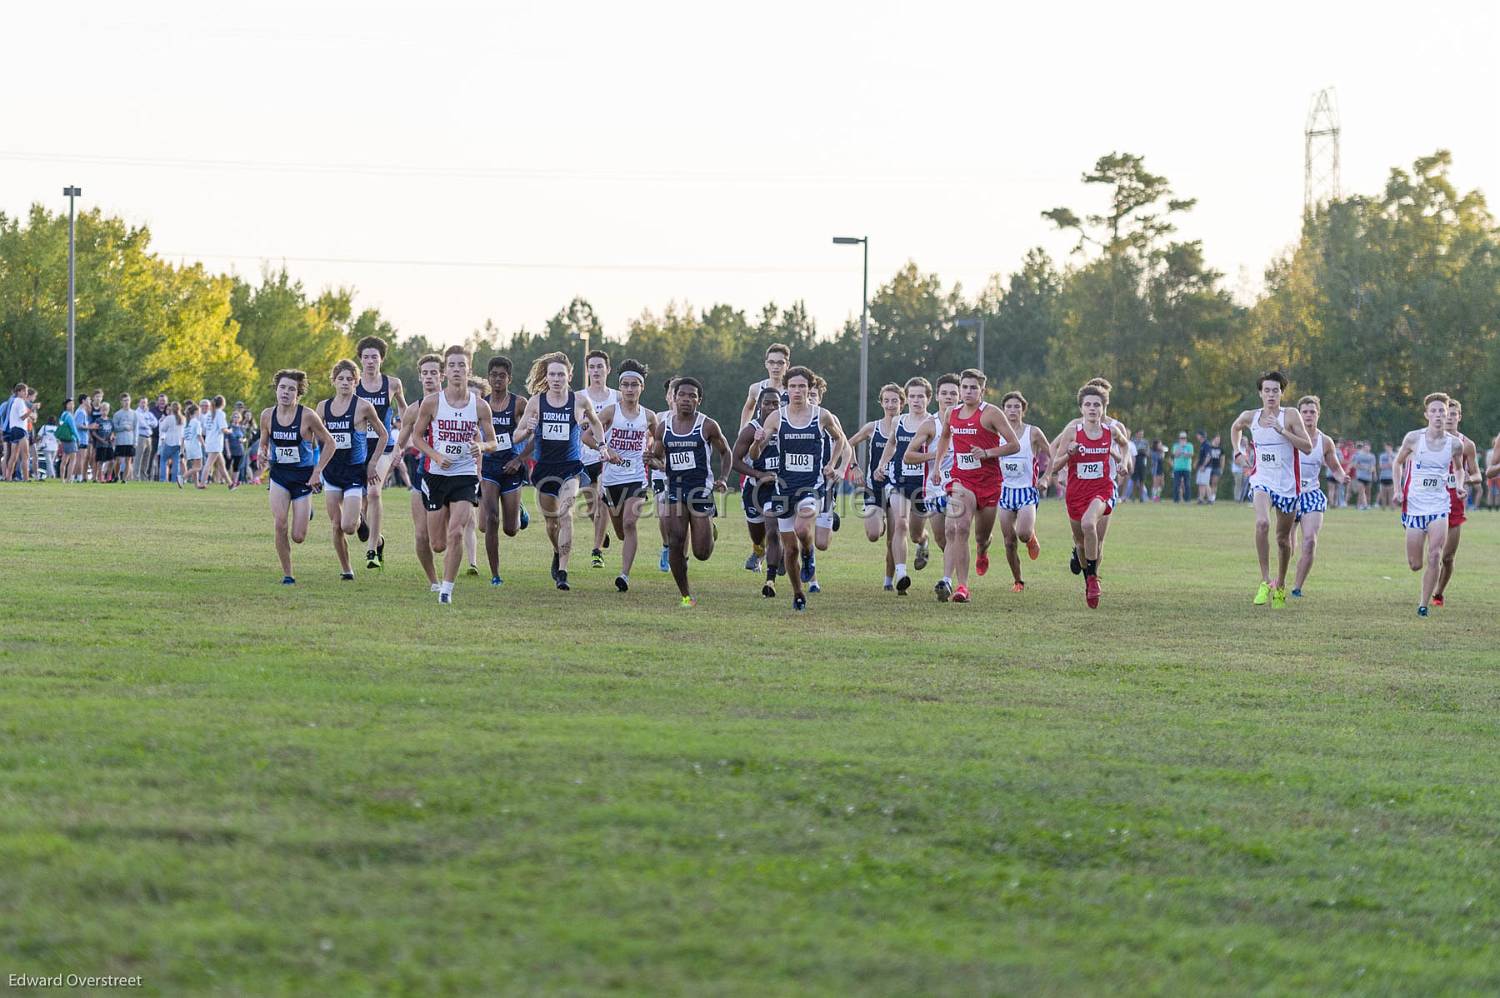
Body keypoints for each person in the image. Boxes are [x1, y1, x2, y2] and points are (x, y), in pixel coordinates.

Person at [750, 366, 846, 612]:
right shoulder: (777, 417)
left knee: (803, 527)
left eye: (802, 386)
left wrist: (832, 464)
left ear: (809, 389)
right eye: (792, 386)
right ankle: (798, 592)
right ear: (786, 389)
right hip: (783, 488)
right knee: (789, 549)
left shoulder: (821, 415)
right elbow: (755, 453)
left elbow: (840, 440)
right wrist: (757, 441)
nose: (797, 391)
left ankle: (809, 552)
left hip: (810, 485)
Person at [406, 346, 496, 604]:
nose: (457, 370)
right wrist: (435, 456)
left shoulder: (480, 407)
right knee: (438, 544)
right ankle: (436, 580)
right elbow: (417, 436)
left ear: (469, 370)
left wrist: (480, 446)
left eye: (462, 365)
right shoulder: (433, 403)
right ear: (446, 372)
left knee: (456, 532)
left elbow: (493, 442)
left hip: (465, 475)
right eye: (453, 365)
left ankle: (447, 589)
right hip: (436, 475)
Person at [511, 351, 606, 591]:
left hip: (570, 467)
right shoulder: (536, 402)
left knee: (566, 514)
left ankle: (563, 571)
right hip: (544, 469)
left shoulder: (579, 401)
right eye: (552, 374)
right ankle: (556, 551)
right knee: (552, 523)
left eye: (560, 374)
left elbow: (595, 422)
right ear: (547, 376)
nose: (556, 379)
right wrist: (528, 429)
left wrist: (602, 444)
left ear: (569, 376)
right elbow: (516, 436)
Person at [929, 368, 1020, 603]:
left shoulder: (991, 414)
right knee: (959, 528)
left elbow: (1014, 445)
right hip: (962, 480)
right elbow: (945, 438)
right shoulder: (952, 412)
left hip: (989, 482)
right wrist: (937, 466)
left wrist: (987, 452)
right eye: (965, 387)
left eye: (973, 387)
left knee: (981, 536)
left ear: (982, 390)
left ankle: (982, 550)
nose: (968, 391)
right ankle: (962, 587)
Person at [1229, 371, 1316, 608]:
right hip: (1261, 480)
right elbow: (1235, 427)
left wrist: (1281, 430)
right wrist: (1238, 451)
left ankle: (1280, 584)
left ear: (1281, 393)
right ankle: (1265, 580)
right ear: (1260, 393)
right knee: (1262, 523)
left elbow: (1307, 447)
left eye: (1275, 390)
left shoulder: (1291, 415)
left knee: (1282, 539)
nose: (1270, 395)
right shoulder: (1251, 416)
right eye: (1266, 390)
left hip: (1287, 485)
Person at [648, 376, 730, 607]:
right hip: (674, 488)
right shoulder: (664, 427)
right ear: (673, 398)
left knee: (702, 552)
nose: (686, 399)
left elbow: (726, 452)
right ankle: (685, 595)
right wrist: (652, 460)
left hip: (700, 490)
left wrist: (723, 478)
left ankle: (709, 528)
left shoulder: (707, 425)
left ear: (699, 400)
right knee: (675, 540)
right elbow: (658, 456)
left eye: (691, 396)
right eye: (681, 395)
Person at [1049, 382, 1129, 608]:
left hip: (1101, 489)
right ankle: (1089, 581)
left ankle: (1094, 579)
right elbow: (1055, 465)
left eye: (1097, 405)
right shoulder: (1072, 432)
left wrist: (1122, 462)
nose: (1092, 409)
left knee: (1089, 524)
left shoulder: (1111, 431)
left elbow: (1125, 445)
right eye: (1088, 405)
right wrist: (1069, 454)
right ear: (1081, 409)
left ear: (1103, 408)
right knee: (1081, 544)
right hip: (1076, 492)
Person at [260, 370, 337, 584]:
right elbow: (264, 441)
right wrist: (261, 452)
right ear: (276, 389)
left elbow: (330, 443)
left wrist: (317, 471)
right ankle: (288, 574)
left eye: (291, 389)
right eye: (282, 387)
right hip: (279, 476)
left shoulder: (308, 416)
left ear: (298, 393)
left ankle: (307, 509)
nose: (285, 392)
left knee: (298, 536)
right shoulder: (267, 415)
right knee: (280, 523)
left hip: (304, 478)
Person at [319, 360, 389, 580]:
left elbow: (384, 435)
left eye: (350, 379)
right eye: (341, 378)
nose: (345, 383)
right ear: (334, 381)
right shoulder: (323, 407)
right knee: (336, 526)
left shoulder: (363, 407)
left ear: (356, 382)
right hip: (331, 473)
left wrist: (372, 463)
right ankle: (346, 569)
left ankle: (359, 517)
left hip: (353, 474)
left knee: (348, 526)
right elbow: (311, 434)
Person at [1392, 393, 1460, 616]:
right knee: (1415, 564)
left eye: (1443, 411)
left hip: (1439, 506)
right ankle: (1421, 581)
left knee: (1435, 555)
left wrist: (1459, 485)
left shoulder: (1454, 444)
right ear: (1426, 415)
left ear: (1448, 413)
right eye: (1434, 411)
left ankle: (1423, 604)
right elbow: (1398, 463)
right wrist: (1397, 490)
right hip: (1414, 506)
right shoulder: (1413, 438)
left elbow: (1459, 468)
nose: (1439, 415)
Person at [597, 360, 658, 593]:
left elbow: (660, 440)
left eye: (634, 385)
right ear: (620, 387)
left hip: (636, 478)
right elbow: (586, 437)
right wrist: (604, 448)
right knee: (621, 530)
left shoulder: (649, 416)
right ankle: (619, 538)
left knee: (630, 523)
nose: (630, 389)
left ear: (641, 387)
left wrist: (652, 454)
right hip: (612, 479)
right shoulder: (611, 412)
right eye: (625, 385)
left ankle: (624, 575)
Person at [353, 335, 408, 570]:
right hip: (357, 449)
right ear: (360, 360)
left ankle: (372, 551)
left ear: (381, 359)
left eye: (374, 357)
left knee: (374, 493)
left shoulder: (392, 384)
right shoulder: (352, 384)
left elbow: (404, 410)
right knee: (361, 502)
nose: (370, 361)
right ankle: (376, 536)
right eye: (366, 357)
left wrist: (403, 442)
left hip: (383, 448)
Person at [846, 384, 906, 591]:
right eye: (886, 401)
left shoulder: (908, 427)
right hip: (874, 488)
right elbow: (848, 444)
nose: (890, 405)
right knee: (873, 534)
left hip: (897, 487)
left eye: (895, 401)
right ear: (881, 403)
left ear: (902, 403)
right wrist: (854, 467)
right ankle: (879, 522)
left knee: (893, 538)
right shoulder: (873, 427)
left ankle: (890, 581)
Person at [738, 342, 792, 569]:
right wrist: (744, 432)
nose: (776, 366)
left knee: (778, 512)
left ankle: (778, 554)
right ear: (766, 364)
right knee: (755, 515)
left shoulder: (794, 388)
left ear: (787, 365)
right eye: (772, 362)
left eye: (781, 362)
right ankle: (759, 550)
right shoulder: (756, 388)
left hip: (784, 453)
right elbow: (748, 407)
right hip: (758, 448)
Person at [1288, 396, 1349, 598]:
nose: (1308, 415)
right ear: (1299, 414)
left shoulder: (1325, 442)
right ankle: (1279, 578)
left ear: (1318, 414)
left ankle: (1297, 587)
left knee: (1310, 541)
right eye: (1304, 412)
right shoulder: (1289, 436)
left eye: (1312, 412)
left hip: (1311, 494)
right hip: (1288, 493)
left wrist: (1342, 478)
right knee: (1286, 544)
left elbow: (1335, 468)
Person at [478, 356, 530, 586]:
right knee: (491, 519)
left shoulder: (519, 404)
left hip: (511, 466)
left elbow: (535, 436)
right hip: (489, 465)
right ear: (488, 378)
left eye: (502, 375)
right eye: (493, 375)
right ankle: (495, 574)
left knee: (510, 529)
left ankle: (519, 511)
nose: (497, 379)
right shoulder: (481, 403)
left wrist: (519, 459)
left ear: (509, 378)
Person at [395, 354, 444, 592]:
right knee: (422, 536)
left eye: (433, 372)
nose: (429, 377)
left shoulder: (455, 405)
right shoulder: (413, 410)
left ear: (442, 376)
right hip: (422, 475)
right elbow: (400, 443)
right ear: (419, 377)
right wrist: (391, 459)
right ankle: (434, 582)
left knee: (442, 540)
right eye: (425, 373)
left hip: (450, 475)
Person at [994, 391, 1050, 592]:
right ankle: (1018, 580)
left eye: (1017, 406)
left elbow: (1051, 454)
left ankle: (1031, 537)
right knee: (1009, 542)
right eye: (1008, 406)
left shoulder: (1032, 432)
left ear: (1023, 410)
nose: (1012, 410)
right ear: (1003, 410)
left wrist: (1046, 477)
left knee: (1023, 534)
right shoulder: (997, 434)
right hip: (1004, 493)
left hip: (1026, 492)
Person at [733, 386, 784, 598]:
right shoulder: (750, 429)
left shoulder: (788, 426)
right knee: (758, 536)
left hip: (779, 488)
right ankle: (759, 551)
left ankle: (770, 580)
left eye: (776, 403)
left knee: (773, 530)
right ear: (759, 406)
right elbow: (734, 461)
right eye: (767, 403)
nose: (772, 407)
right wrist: (757, 474)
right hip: (754, 490)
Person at [1431, 399, 1482, 608]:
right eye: (1446, 414)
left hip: (1455, 504)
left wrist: (1464, 480)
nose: (1449, 418)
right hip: (1432, 502)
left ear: (1459, 417)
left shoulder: (1467, 444)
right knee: (1431, 553)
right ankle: (1427, 588)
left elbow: (1478, 474)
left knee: (1448, 557)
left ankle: (1438, 593)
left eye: (1454, 414)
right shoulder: (1430, 441)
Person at [804, 376, 850, 594]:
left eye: (814, 395)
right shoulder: (792, 418)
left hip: (827, 483)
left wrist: (839, 468)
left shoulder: (828, 418)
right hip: (803, 484)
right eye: (807, 394)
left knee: (822, 542)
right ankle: (812, 579)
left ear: (820, 398)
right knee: (803, 529)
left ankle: (832, 516)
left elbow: (846, 448)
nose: (810, 398)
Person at [575, 349, 619, 571]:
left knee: (602, 501)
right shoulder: (580, 397)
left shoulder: (617, 397)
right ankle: (602, 533)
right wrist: (583, 422)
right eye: (591, 367)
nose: (595, 371)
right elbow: (576, 424)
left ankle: (596, 552)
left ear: (608, 369)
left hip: (607, 458)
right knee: (592, 508)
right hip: (584, 456)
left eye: (599, 366)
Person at [2, 383, 32, 482]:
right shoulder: (20, 401)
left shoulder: (13, 401)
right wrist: (31, 410)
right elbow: (22, 417)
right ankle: (26, 478)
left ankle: (8, 477)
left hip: (13, 430)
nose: (26, 393)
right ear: (19, 391)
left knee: (13, 456)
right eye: (24, 391)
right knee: (25, 455)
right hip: (20, 430)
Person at [201, 396, 232, 488]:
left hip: (209, 440)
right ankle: (202, 483)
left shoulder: (210, 414)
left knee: (221, 465)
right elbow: (223, 429)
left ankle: (230, 484)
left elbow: (205, 429)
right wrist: (230, 431)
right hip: (216, 442)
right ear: (223, 403)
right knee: (209, 464)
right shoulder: (220, 414)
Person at [158, 402, 185, 487]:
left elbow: (163, 429)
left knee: (163, 461)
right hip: (178, 443)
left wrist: (162, 421)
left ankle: (163, 479)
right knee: (176, 463)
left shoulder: (169, 418)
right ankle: (174, 480)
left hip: (168, 442)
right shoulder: (183, 418)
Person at [181, 402, 205, 487]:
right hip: (195, 446)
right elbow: (199, 435)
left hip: (188, 447)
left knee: (195, 466)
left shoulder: (187, 423)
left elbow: (183, 438)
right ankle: (182, 478)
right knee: (199, 467)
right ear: (196, 412)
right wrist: (204, 445)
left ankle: (197, 484)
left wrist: (182, 449)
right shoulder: (196, 422)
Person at [56, 398, 79, 482]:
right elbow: (73, 428)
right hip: (71, 438)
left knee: (64, 459)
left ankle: (62, 478)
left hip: (64, 438)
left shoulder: (63, 415)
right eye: (70, 404)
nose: (72, 406)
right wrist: (78, 438)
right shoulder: (69, 415)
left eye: (73, 404)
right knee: (73, 459)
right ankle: (69, 478)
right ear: (66, 405)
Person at [1351, 441, 1376, 510]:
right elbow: (1355, 465)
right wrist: (1363, 467)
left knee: (1368, 492)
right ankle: (1365, 505)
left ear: (1370, 448)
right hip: (1360, 476)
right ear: (1363, 447)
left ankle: (1362, 505)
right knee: (1361, 491)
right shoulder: (1359, 455)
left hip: (1368, 477)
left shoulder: (1372, 456)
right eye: (1365, 446)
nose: (1367, 448)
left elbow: (1373, 466)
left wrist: (1373, 472)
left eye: (1368, 446)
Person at [1170, 432, 1193, 502]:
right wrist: (1181, 449)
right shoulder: (1175, 446)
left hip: (1187, 468)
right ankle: (1176, 499)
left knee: (1187, 484)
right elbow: (1176, 455)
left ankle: (1187, 499)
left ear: (1186, 438)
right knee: (1176, 484)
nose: (1183, 439)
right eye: (1181, 438)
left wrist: (1185, 453)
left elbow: (1190, 455)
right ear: (1179, 438)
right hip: (1177, 468)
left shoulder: (1190, 445)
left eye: (1184, 438)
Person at [1377, 443, 1396, 509]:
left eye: (1388, 447)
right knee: (1383, 494)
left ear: (1391, 447)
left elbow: (1393, 466)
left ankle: (1392, 507)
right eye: (1386, 447)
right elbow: (1381, 466)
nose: (1387, 448)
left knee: (1391, 494)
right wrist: (1388, 465)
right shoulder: (1382, 455)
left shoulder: (1395, 455)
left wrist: (1390, 459)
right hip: (1383, 476)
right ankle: (1383, 508)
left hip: (1391, 477)